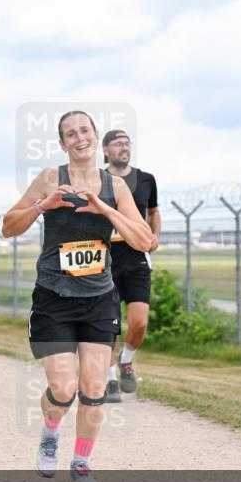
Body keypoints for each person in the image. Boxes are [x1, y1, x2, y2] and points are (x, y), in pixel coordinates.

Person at [2, 111, 153, 482]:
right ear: (62, 143)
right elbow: (8, 226)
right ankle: (50, 430)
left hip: (99, 299)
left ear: (95, 136)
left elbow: (144, 240)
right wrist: (42, 206)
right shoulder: (51, 178)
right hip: (54, 297)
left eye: (85, 130)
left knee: (94, 386)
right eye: (71, 133)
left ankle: (82, 463)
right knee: (65, 388)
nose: (79, 137)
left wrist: (106, 209)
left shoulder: (115, 186)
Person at [101, 129, 161, 403]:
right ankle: (110, 380)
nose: (124, 148)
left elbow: (153, 213)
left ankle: (126, 361)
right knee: (109, 324)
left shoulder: (146, 179)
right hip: (106, 257)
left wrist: (155, 235)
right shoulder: (97, 181)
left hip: (136, 254)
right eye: (118, 143)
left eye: (127, 143)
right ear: (105, 150)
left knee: (139, 322)